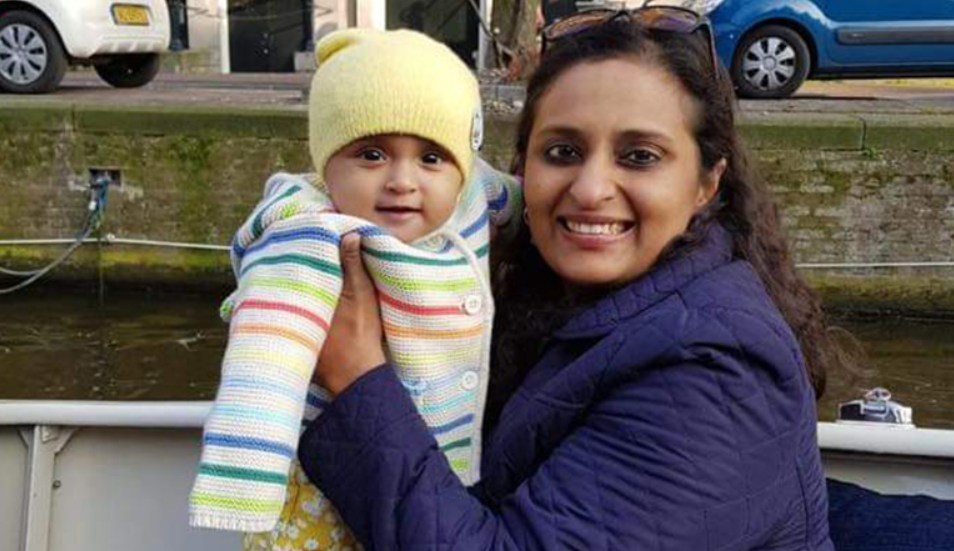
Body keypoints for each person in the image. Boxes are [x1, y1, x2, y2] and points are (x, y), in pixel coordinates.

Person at [297, 7, 843, 550]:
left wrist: (357, 375)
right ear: (522, 168)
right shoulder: (554, 300)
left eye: (639, 156)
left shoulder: (720, 376)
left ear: (706, 183)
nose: (589, 188)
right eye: (563, 152)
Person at [188, 29, 521, 550]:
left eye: (431, 157)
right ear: (327, 167)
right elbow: (265, 352)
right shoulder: (312, 234)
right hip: (329, 483)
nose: (403, 180)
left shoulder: (472, 194)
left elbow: (514, 199)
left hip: (437, 473)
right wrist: (243, 481)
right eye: (371, 155)